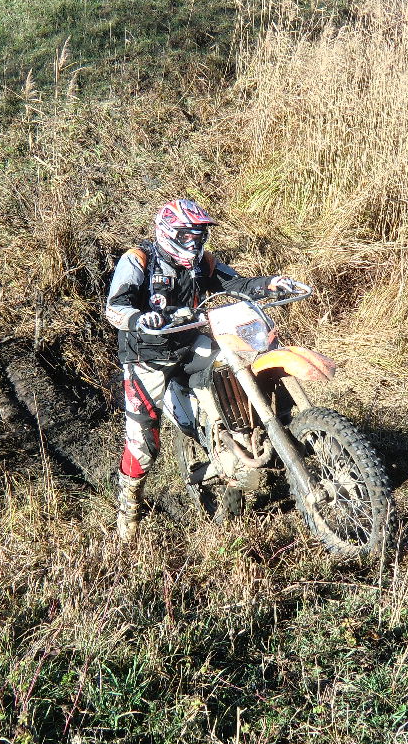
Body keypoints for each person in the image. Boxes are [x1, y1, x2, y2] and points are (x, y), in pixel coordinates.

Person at [104, 198, 296, 538]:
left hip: (189, 341)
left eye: (198, 236)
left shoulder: (203, 263)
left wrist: (269, 284)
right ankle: (128, 515)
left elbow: (234, 284)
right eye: (186, 236)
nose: (193, 243)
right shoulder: (139, 259)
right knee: (143, 443)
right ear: (167, 233)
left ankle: (239, 437)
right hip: (146, 356)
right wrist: (140, 318)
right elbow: (115, 306)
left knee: (235, 365)